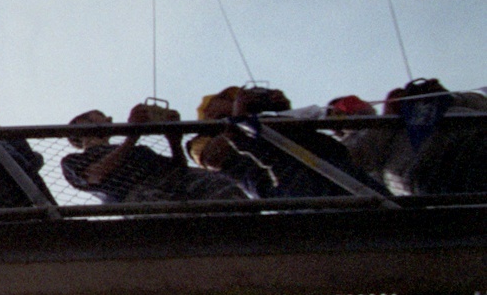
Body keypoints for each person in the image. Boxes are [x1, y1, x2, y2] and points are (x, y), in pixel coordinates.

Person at [188, 86, 385, 200]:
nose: (235, 99)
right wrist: (239, 120)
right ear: (210, 112)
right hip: (284, 186)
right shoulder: (199, 140)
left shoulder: (266, 119)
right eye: (225, 98)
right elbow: (213, 156)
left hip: (335, 171)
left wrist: (281, 111)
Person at [61, 104, 246, 203]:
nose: (109, 120)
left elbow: (178, 167)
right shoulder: (73, 160)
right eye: (100, 117)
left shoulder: (138, 150)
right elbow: (95, 175)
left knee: (225, 188)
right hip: (141, 197)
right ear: (79, 125)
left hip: (183, 184)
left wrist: (174, 140)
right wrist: (132, 137)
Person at [342, 79, 487, 196]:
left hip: (474, 140)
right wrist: (391, 116)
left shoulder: (438, 106)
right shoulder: (362, 137)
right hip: (430, 168)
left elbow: (482, 105)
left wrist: (445, 96)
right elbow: (357, 157)